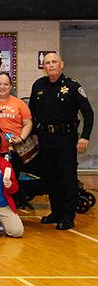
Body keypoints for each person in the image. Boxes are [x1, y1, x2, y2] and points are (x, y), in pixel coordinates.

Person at [29, 51, 93, 230]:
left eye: (54, 62)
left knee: (67, 178)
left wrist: (85, 136)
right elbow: (32, 112)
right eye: (47, 62)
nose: (50, 65)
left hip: (66, 139)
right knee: (51, 177)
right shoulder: (38, 85)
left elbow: (88, 113)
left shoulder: (72, 86)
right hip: (45, 138)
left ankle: (67, 216)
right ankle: (55, 212)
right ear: (44, 67)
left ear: (61, 64)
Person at [0, 73, 37, 206]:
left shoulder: (19, 103)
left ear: (11, 86)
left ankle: (10, 206)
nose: (2, 87)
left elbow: (28, 123)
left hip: (12, 151)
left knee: (10, 180)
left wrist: (21, 137)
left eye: (6, 84)